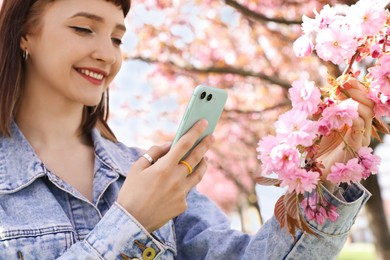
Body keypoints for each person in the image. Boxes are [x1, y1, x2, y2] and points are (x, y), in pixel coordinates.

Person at [0, 0, 373, 259]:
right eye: (84, 29)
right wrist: (132, 223)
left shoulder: (147, 174)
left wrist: (325, 181)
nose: (108, 54)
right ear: (24, 33)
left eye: (116, 38)